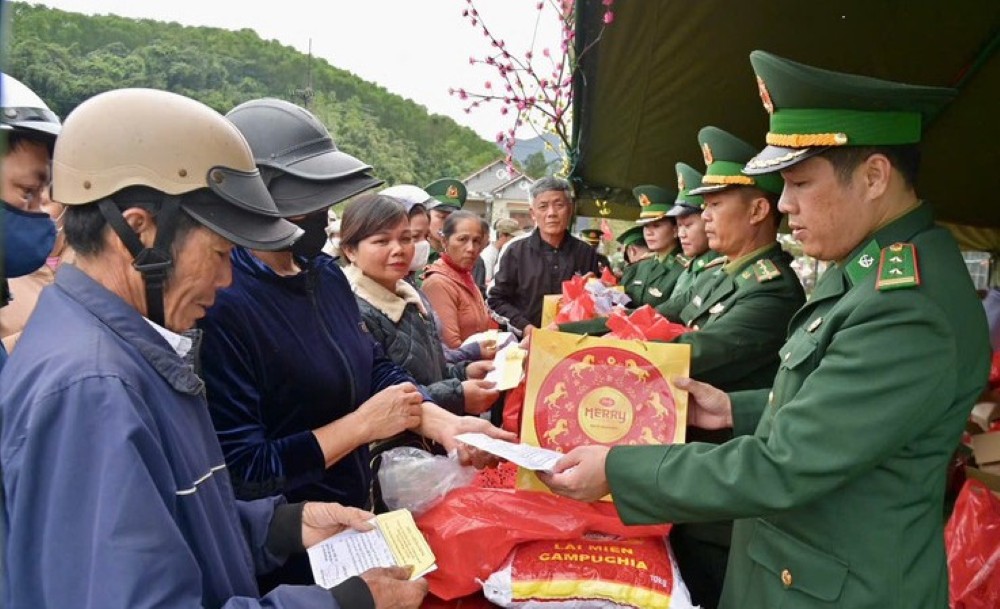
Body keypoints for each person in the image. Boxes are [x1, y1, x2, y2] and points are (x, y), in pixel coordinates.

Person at [540, 50, 989, 609]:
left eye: (799, 183)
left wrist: (619, 469)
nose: (783, 204)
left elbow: (788, 463)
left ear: (874, 176)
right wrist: (737, 410)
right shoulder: (872, 270)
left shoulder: (906, 303)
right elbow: (843, 410)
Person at [1, 88, 426, 608]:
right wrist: (343, 604)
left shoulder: (123, 348)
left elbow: (176, 518)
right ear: (141, 231)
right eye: (221, 252)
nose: (226, 278)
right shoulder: (92, 391)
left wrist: (281, 526)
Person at [198, 98, 475, 591]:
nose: (322, 215)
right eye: (310, 200)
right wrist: (359, 426)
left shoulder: (322, 274)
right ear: (258, 197)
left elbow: (372, 366)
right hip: (288, 543)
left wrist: (448, 423)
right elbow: (245, 468)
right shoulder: (222, 302)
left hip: (351, 513)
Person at [342, 194, 500, 418]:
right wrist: (457, 395)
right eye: (382, 241)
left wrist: (464, 372)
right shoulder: (352, 312)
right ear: (350, 250)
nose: (398, 249)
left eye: (406, 239)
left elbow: (431, 372)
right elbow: (377, 401)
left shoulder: (411, 297)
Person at [488, 176, 601, 334]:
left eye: (559, 205)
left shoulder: (586, 252)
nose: (551, 213)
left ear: (570, 209)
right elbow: (495, 300)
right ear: (533, 214)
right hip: (525, 343)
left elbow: (598, 305)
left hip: (574, 343)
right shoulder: (515, 250)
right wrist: (526, 328)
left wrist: (597, 289)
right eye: (543, 206)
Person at [422, 210, 494, 349]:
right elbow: (451, 347)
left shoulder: (465, 276)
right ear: (444, 241)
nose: (471, 248)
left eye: (476, 241)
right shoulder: (437, 283)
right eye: (462, 239)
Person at [624, 185, 686, 307]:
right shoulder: (642, 265)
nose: (648, 232)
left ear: (675, 230)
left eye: (656, 226)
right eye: (646, 226)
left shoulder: (683, 269)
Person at [666, 162, 717, 300]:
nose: (681, 234)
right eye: (679, 226)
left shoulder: (717, 268)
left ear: (708, 220)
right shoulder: (691, 267)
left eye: (688, 225)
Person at [481, 217, 519, 287]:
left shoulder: (503, 252)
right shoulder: (488, 256)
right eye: (513, 237)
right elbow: (486, 283)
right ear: (502, 235)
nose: (515, 240)